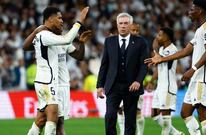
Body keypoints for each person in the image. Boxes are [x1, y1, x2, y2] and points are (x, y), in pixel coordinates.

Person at [145, 0, 206, 134]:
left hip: (203, 77)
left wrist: (193, 69)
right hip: (196, 78)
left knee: (203, 115)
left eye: (192, 9)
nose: (189, 12)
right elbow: (185, 51)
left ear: (200, 11)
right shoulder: (199, 30)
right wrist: (161, 58)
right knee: (185, 112)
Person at [24, 6, 89, 135]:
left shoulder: (57, 38)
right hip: (48, 82)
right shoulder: (44, 35)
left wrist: (81, 43)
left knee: (45, 119)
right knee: (53, 115)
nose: (62, 21)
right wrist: (79, 21)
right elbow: (26, 46)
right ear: (50, 19)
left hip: (59, 84)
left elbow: (78, 56)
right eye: (59, 18)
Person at [96, 13, 149, 135]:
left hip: (132, 87)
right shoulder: (109, 41)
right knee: (109, 117)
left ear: (130, 25)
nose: (123, 26)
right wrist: (99, 85)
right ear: (117, 25)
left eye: (126, 23)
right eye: (120, 23)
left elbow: (144, 65)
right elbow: (104, 65)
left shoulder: (141, 42)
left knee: (130, 121)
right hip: (113, 86)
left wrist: (138, 81)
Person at [150, 27, 184, 135]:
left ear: (167, 37)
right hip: (160, 87)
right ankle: (176, 133)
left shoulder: (172, 49)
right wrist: (151, 81)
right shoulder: (161, 49)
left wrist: (155, 51)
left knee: (165, 118)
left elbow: (158, 58)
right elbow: (159, 68)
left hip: (168, 88)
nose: (157, 37)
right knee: (154, 115)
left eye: (160, 35)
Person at [117, 23, 145, 135]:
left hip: (136, 84)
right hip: (120, 84)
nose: (135, 32)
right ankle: (122, 132)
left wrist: (139, 80)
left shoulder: (141, 45)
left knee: (136, 111)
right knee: (120, 110)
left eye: (136, 30)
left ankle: (140, 133)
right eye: (133, 30)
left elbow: (144, 65)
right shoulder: (122, 43)